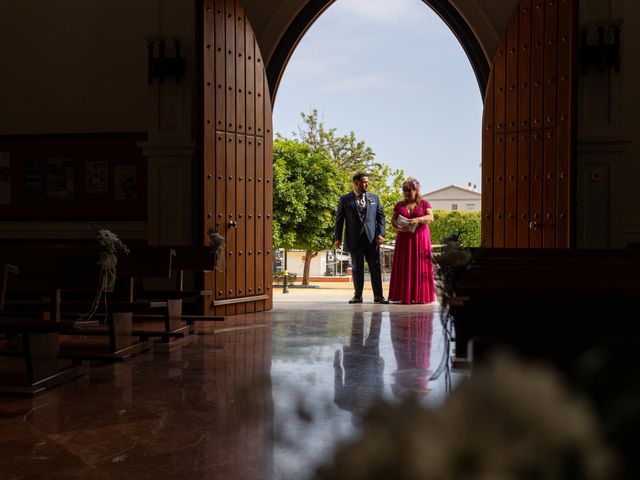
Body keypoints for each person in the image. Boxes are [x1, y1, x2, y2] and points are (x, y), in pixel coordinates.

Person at [334, 173, 388, 304]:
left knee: (375, 268)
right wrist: (337, 238)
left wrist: (381, 234)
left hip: (371, 239)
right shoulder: (345, 199)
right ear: (356, 183)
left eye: (367, 182)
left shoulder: (374, 198)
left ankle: (379, 296)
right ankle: (358, 296)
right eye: (364, 182)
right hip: (354, 239)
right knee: (357, 269)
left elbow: (381, 217)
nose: (367, 184)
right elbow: (339, 220)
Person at [388, 177, 436, 304]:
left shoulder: (425, 203)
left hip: (420, 239)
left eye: (409, 190)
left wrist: (418, 219)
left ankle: (421, 295)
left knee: (420, 265)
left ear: (416, 190)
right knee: (404, 264)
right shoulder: (399, 204)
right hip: (403, 238)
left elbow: (431, 218)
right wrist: (397, 226)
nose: (406, 193)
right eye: (404, 190)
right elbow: (393, 220)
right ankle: (404, 295)